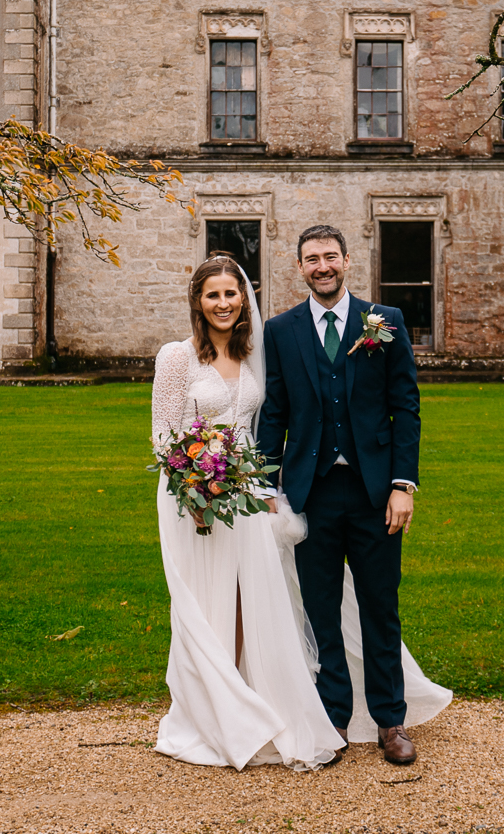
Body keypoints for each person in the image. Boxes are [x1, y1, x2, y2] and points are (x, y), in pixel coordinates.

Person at [256, 225, 451, 767]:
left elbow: (405, 406)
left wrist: (402, 484)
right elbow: (274, 413)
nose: (322, 266)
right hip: (311, 494)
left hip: (374, 493)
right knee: (322, 613)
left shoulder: (383, 322)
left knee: (379, 607)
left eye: (330, 256)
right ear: (299, 267)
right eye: (312, 258)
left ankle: (391, 720)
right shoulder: (281, 330)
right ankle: (333, 719)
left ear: (347, 261)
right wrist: (268, 487)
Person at [150, 254, 345, 770]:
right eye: (212, 295)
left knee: (252, 596)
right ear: (197, 301)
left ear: (243, 299)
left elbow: (267, 424)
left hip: (248, 493)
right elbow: (164, 435)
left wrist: (265, 483)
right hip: (192, 495)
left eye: (230, 294)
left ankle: (250, 697)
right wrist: (198, 491)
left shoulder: (254, 353)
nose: (223, 303)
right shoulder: (175, 358)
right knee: (207, 600)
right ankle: (212, 712)